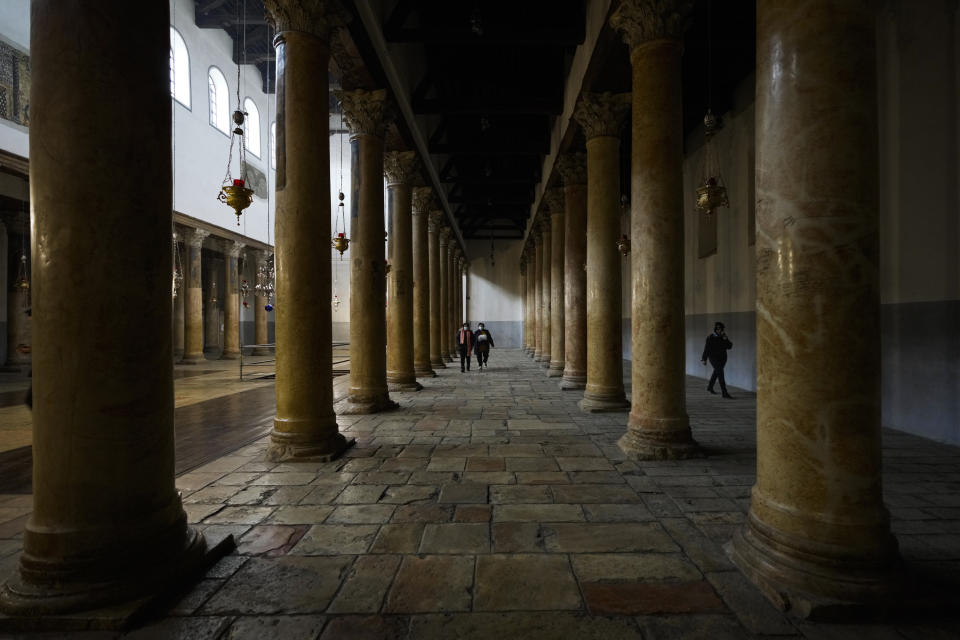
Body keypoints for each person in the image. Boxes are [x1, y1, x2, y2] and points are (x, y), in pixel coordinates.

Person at [701, 321, 733, 398]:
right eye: (718, 329)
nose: (719, 331)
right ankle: (724, 392)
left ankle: (710, 387)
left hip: (723, 358)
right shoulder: (710, 337)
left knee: (716, 372)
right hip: (713, 358)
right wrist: (704, 359)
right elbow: (707, 349)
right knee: (720, 373)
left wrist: (726, 339)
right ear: (715, 329)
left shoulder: (723, 337)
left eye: (721, 329)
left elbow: (729, 347)